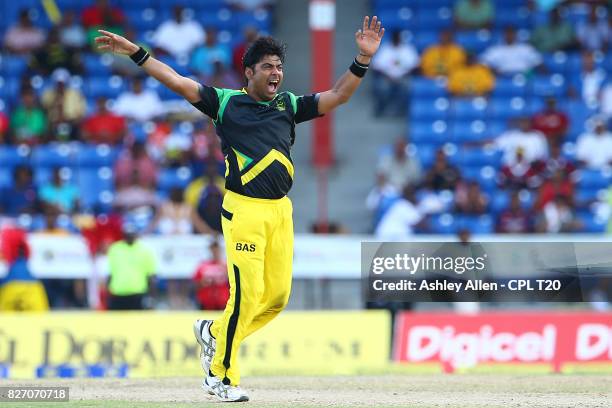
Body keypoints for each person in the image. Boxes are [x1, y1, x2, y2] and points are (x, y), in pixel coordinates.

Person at [96, 14, 385, 401]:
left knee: (276, 300)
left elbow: (338, 95)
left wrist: (362, 60)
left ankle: (213, 334)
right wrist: (136, 52)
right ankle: (220, 377)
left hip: (280, 212)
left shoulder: (288, 105)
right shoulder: (225, 103)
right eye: (268, 66)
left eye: (280, 67)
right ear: (249, 72)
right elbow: (177, 81)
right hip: (244, 211)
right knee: (245, 298)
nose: (276, 73)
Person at [106, 223, 156, 310]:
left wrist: (150, 297)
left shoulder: (145, 251)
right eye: (127, 234)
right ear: (123, 235)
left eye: (132, 234)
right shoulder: (115, 249)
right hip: (118, 293)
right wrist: (107, 293)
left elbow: (151, 276)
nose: (129, 237)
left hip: (137, 293)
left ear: (136, 235)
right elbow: (110, 272)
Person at [371, 30, 419, 116]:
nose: (396, 39)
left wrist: (404, 74)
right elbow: (375, 66)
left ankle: (402, 111)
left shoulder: (408, 49)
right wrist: (387, 76)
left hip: (404, 77)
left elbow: (416, 65)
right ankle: (380, 110)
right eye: (395, 37)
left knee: (408, 87)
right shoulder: (385, 48)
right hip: (387, 77)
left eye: (398, 37)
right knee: (382, 87)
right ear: (392, 38)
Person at [193, 240, 230, 310]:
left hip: (223, 303)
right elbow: (195, 285)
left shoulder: (227, 266)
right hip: (206, 304)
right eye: (213, 249)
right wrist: (202, 283)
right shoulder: (203, 266)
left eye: (217, 249)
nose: (215, 252)